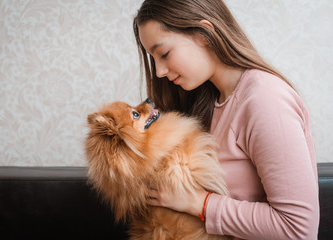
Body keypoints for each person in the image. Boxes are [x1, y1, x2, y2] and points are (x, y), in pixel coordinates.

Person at [132, 0, 320, 239]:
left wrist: (199, 203)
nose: (159, 71)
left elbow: (298, 229)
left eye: (164, 54)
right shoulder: (208, 101)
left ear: (204, 34)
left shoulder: (265, 99)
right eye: (153, 59)